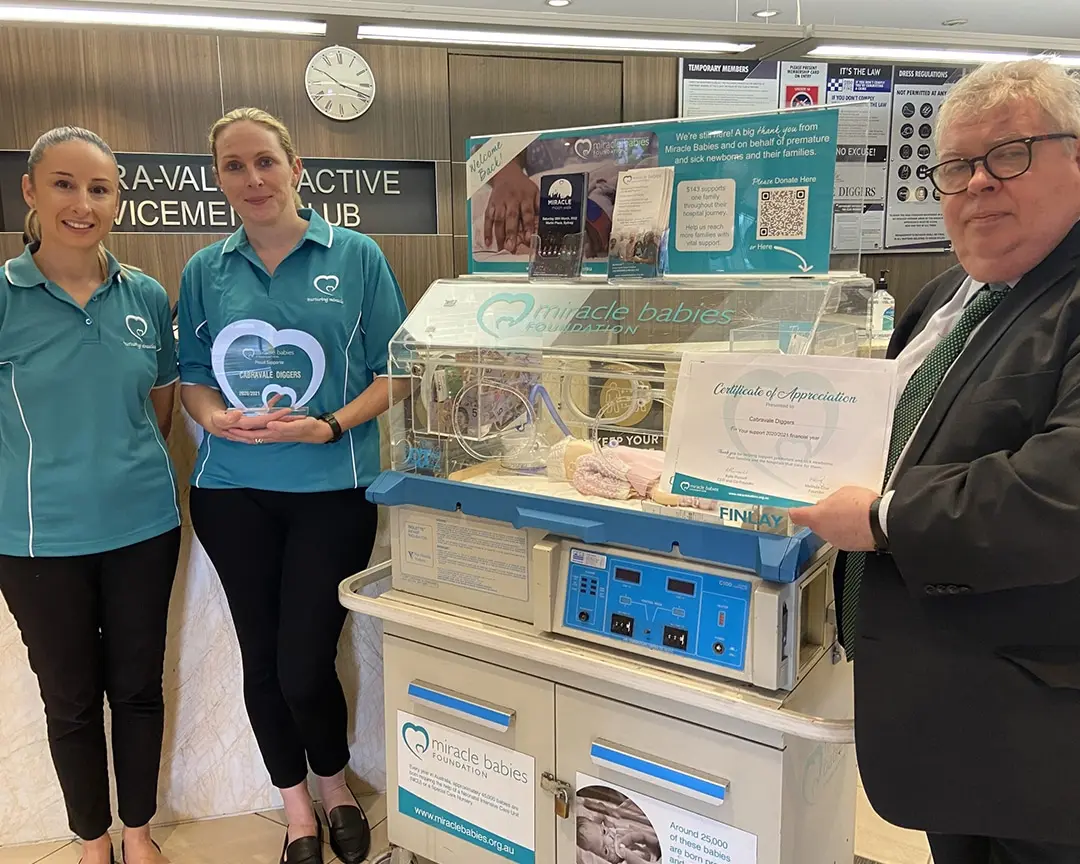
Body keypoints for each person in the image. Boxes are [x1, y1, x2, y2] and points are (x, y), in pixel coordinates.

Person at [790, 59, 1080, 864]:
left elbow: (1061, 494)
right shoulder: (941, 299)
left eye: (1011, 153)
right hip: (939, 716)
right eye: (956, 165)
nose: (979, 183)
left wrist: (881, 519)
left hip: (1041, 740)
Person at [177, 108, 407, 864]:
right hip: (233, 492)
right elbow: (193, 375)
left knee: (305, 661)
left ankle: (335, 782)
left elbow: (396, 372)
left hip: (332, 491)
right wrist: (214, 417)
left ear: (296, 167)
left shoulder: (358, 254)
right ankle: (297, 808)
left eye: (265, 163)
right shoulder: (205, 270)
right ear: (219, 179)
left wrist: (331, 426)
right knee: (263, 661)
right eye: (234, 167)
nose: (252, 179)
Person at [0, 127, 180, 864]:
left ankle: (138, 834)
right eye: (66, 184)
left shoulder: (143, 293)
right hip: (37, 541)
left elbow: (161, 411)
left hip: (144, 525)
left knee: (137, 688)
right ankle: (92, 841)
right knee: (70, 701)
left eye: (100, 188)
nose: (83, 202)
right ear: (32, 192)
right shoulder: (7, 296)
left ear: (117, 198)